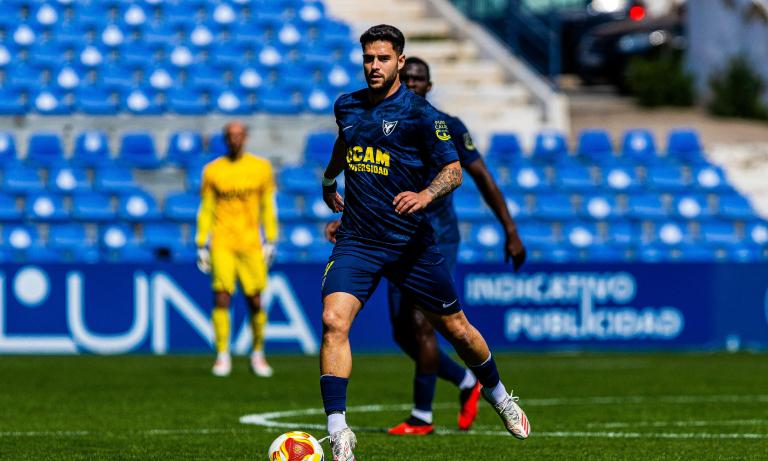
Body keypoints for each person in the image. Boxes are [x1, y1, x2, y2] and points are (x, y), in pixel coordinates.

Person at [318, 25, 530, 461]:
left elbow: (453, 171)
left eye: (382, 58)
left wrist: (426, 194)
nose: (374, 66)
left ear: (398, 60)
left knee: (457, 330)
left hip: (410, 243)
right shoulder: (347, 106)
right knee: (333, 320)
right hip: (358, 239)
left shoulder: (422, 115)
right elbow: (344, 143)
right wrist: (328, 179)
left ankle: (496, 392)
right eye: (368, 58)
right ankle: (339, 433)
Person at [195, 121, 278, 378]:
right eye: (230, 136)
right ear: (225, 139)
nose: (235, 140)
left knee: (255, 299)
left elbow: (267, 205)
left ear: (246, 138)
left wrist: (271, 239)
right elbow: (207, 208)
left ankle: (257, 353)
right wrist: (201, 243)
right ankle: (222, 354)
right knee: (221, 296)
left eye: (239, 135)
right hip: (222, 242)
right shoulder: (213, 170)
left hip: (251, 242)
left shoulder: (261, 168)